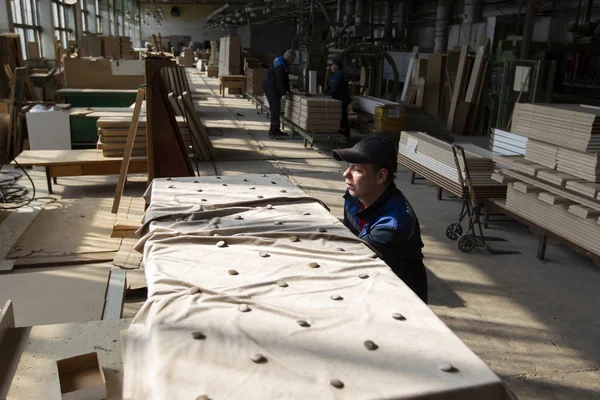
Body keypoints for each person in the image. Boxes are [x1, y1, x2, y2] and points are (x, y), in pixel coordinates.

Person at [332, 136, 428, 303]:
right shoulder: (356, 195)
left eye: (356, 169)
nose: (346, 174)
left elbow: (350, 258)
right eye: (348, 166)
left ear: (381, 176)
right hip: (370, 281)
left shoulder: (393, 225)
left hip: (399, 301)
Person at [262, 49, 295, 139]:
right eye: (292, 59)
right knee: (275, 108)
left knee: (277, 108)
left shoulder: (283, 62)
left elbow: (285, 79)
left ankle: (277, 130)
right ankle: (272, 132)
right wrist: (285, 94)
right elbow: (280, 81)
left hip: (273, 85)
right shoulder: (279, 65)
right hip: (270, 87)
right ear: (289, 57)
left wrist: (289, 90)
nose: (292, 61)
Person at [324, 59, 351, 137]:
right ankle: (341, 132)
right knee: (340, 116)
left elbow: (335, 88)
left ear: (336, 66)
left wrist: (326, 95)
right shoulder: (336, 74)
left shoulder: (340, 74)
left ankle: (344, 134)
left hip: (342, 100)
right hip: (338, 99)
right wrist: (324, 92)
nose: (331, 67)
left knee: (342, 117)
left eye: (332, 65)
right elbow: (330, 85)